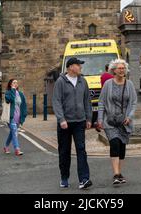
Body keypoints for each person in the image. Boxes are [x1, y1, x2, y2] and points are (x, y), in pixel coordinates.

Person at [53, 57, 93, 190]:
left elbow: (87, 100)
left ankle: (84, 179)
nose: (80, 67)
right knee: (64, 151)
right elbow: (57, 101)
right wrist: (61, 119)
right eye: (78, 65)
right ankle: (64, 177)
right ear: (70, 67)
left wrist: (88, 118)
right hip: (65, 123)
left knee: (81, 150)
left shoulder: (83, 81)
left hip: (80, 122)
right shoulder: (60, 82)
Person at [98, 59, 137, 185]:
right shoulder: (108, 84)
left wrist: (129, 117)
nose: (122, 70)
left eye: (123, 68)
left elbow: (133, 103)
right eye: (119, 68)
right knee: (114, 143)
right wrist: (100, 120)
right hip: (110, 121)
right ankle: (116, 173)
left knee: (122, 146)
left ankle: (120, 172)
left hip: (124, 122)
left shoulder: (129, 84)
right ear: (113, 70)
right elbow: (101, 103)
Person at [3, 79, 27, 156]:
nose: (15, 84)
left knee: (12, 132)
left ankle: (6, 146)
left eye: (16, 82)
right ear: (10, 84)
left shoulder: (20, 94)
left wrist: (24, 114)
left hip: (18, 116)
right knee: (14, 131)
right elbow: (9, 100)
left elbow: (23, 105)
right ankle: (17, 149)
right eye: (14, 82)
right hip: (11, 116)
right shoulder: (8, 93)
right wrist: (13, 90)